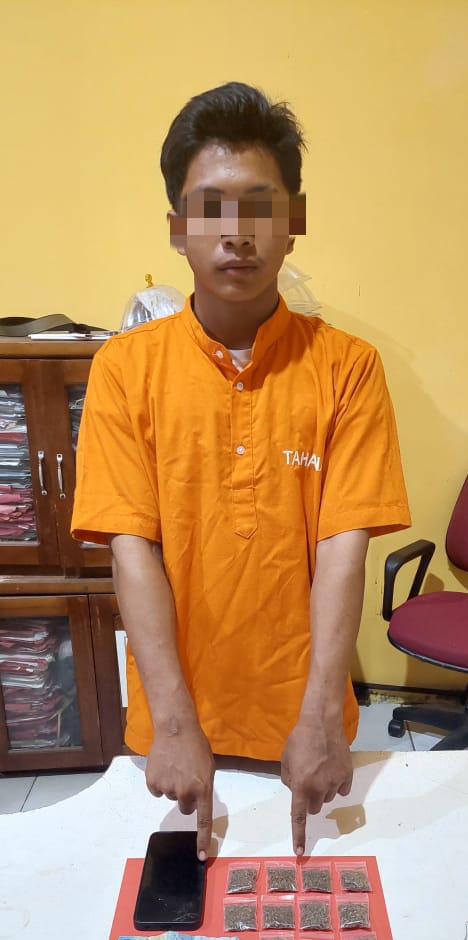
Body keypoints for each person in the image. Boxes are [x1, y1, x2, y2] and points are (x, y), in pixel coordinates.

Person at [71, 81, 411, 860]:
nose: (236, 234)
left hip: (306, 723)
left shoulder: (347, 368)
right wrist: (174, 723)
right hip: (175, 726)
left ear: (293, 223)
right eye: (209, 208)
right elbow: (131, 546)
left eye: (259, 206)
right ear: (176, 229)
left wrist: (320, 717)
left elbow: (343, 547)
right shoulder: (124, 369)